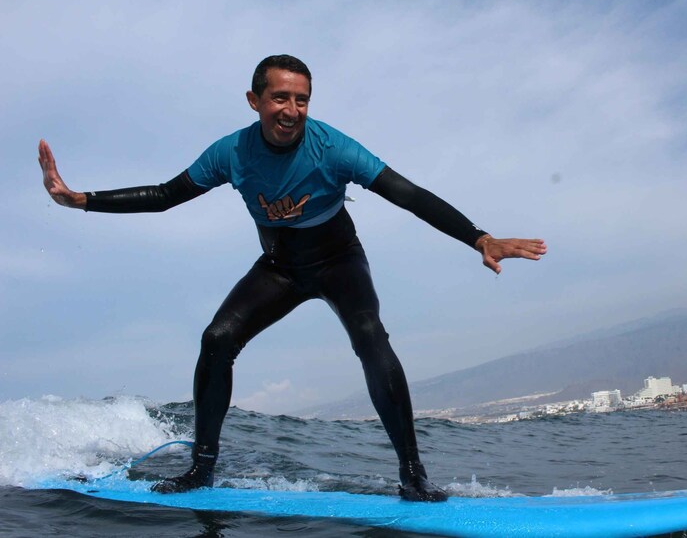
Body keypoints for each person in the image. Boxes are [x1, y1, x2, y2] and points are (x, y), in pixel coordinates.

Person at [38, 54, 547, 502]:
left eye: (301, 99)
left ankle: (413, 475)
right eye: (280, 97)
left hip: (338, 258)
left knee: (371, 338)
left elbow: (407, 194)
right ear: (254, 101)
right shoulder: (231, 154)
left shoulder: (333, 147)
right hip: (280, 266)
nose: (292, 110)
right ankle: (201, 469)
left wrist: (478, 238)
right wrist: (82, 199)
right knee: (217, 339)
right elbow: (167, 195)